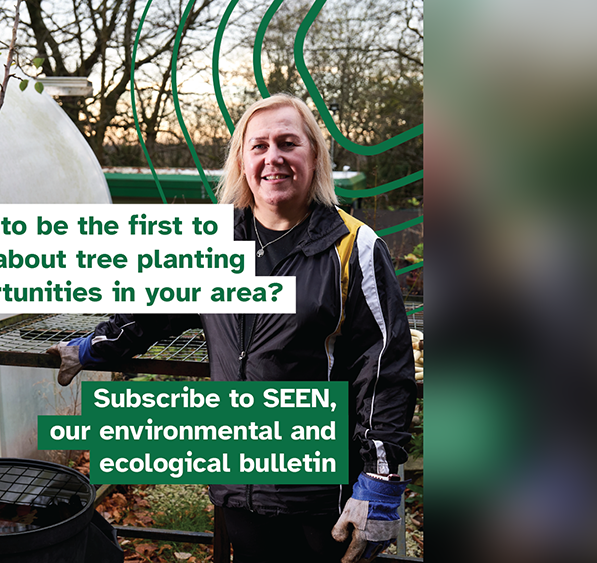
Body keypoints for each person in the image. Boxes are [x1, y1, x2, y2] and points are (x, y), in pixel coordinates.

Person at [48, 94, 416, 563]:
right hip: (239, 484)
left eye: (288, 143)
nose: (273, 158)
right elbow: (153, 310)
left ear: (315, 156)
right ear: (242, 161)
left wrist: (380, 482)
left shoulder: (353, 247)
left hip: (323, 497)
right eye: (258, 146)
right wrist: (93, 348)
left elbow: (384, 370)